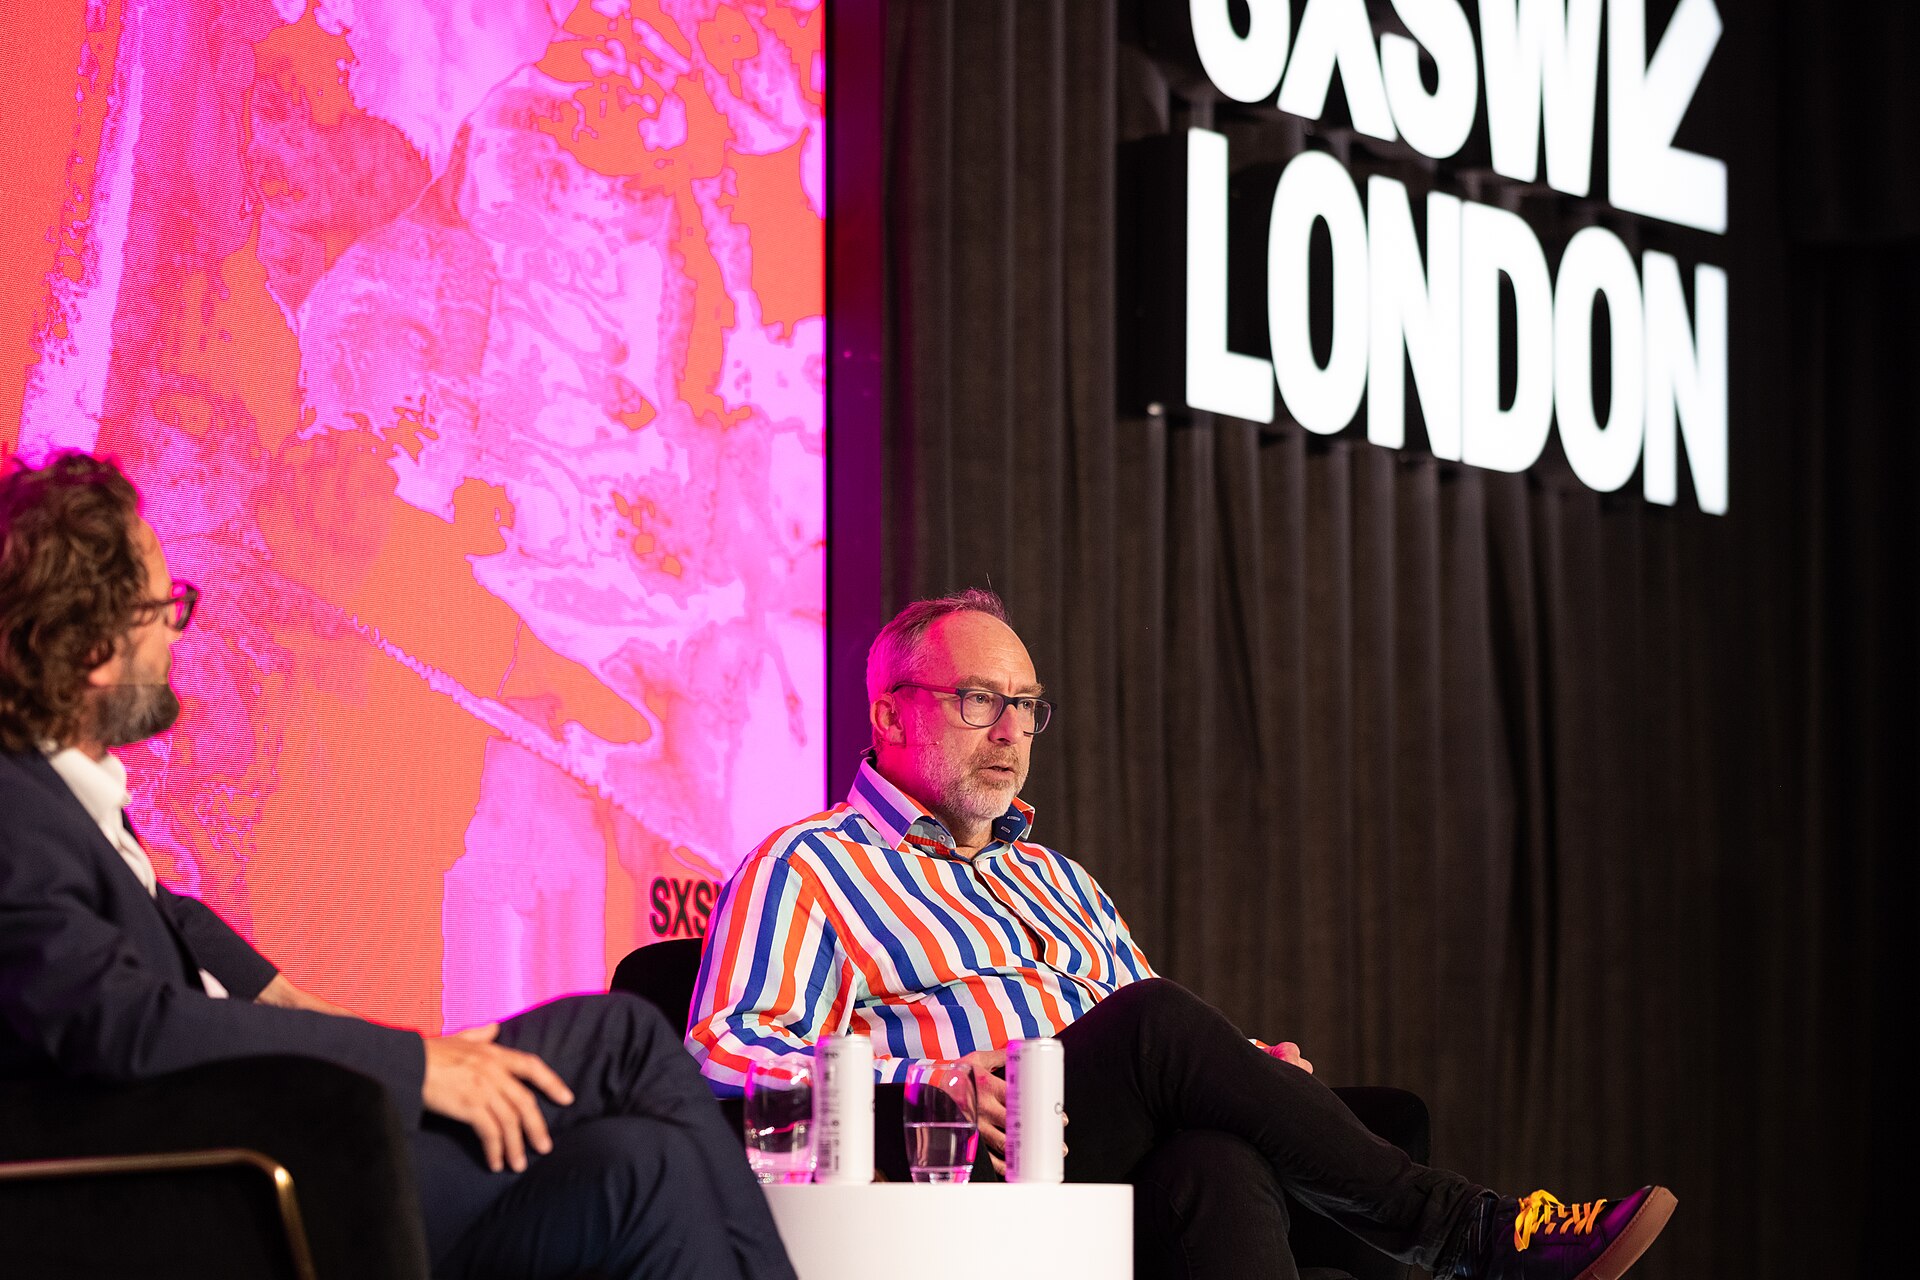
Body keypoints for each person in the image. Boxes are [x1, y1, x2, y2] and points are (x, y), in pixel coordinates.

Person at [689, 586, 1676, 1280]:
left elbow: (1158, 1056)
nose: (1010, 733)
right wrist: (920, 1084)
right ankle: (1474, 1232)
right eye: (978, 699)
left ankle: (1461, 1234)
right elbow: (724, 1060)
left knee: (1219, 1160)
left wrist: (1248, 1065)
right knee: (1158, 1023)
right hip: (953, 1162)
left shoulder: (1059, 878)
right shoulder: (810, 863)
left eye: (1027, 707)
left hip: (1098, 1150)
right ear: (887, 713)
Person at [0, 452, 795, 1280]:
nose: (175, 627)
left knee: (641, 1160)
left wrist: (292, 995)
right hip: (246, 1183)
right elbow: (130, 1024)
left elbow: (161, 911)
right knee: (624, 1041)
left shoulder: (58, 800)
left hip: (286, 1141)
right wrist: (417, 1066)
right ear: (93, 651)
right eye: (164, 608)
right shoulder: (17, 816)